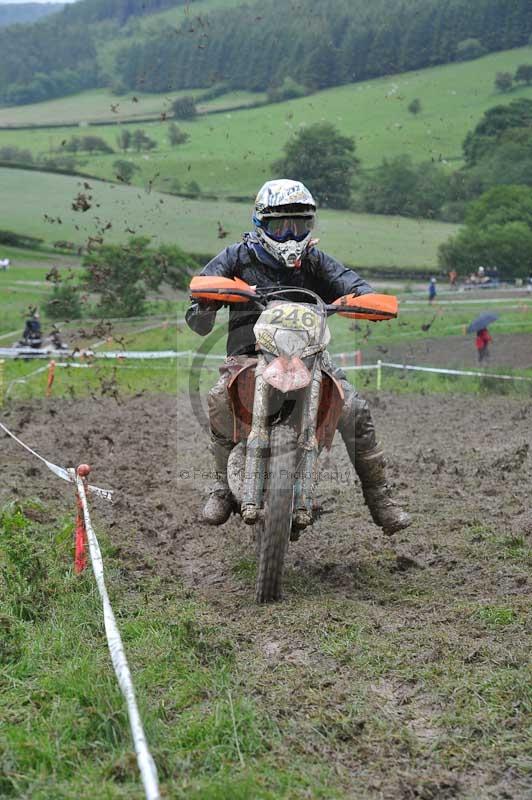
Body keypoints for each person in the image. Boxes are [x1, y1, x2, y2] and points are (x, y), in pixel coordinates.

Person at [186, 179, 411, 535]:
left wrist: (363, 299)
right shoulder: (237, 256)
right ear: (261, 224)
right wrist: (207, 302)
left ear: (311, 225)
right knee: (217, 399)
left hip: (309, 357)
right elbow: (200, 308)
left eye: (299, 225)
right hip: (247, 356)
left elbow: (352, 284)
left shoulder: (316, 261)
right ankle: (220, 486)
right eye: (281, 226)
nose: (291, 235)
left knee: (354, 408)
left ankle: (381, 500)